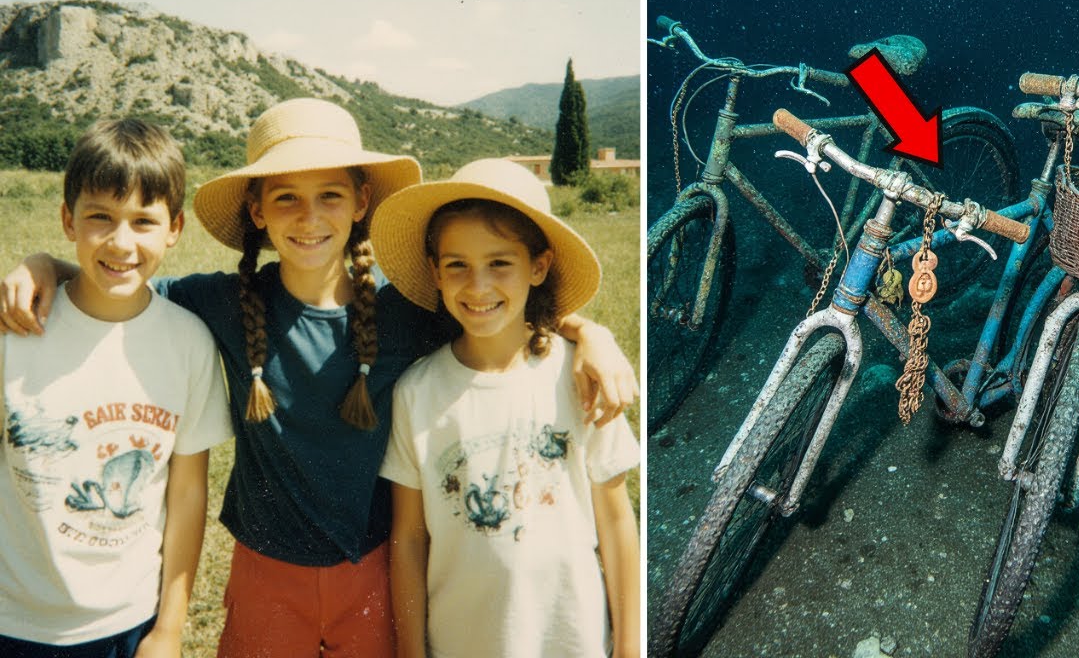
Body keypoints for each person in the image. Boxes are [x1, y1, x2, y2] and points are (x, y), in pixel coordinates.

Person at [0, 99, 637, 657]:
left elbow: (493, 303)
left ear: (361, 201)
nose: (309, 219)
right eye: (286, 199)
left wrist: (591, 334)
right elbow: (120, 278)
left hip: (374, 570)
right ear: (256, 211)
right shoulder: (219, 301)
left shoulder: (408, 311)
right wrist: (44, 265)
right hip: (264, 573)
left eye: (329, 195)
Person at [373, 158, 640, 658]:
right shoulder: (416, 392)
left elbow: (617, 522)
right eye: (457, 265)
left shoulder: (581, 376)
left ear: (538, 266)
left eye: (500, 263)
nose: (478, 287)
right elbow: (408, 539)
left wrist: (629, 649)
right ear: (435, 272)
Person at [0, 119, 232, 658]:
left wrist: (169, 630)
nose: (121, 242)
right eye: (100, 217)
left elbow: (186, 493)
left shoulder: (189, 342)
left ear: (174, 227)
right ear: (67, 220)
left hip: (127, 622)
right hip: (13, 618)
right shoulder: (17, 331)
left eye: (143, 221)